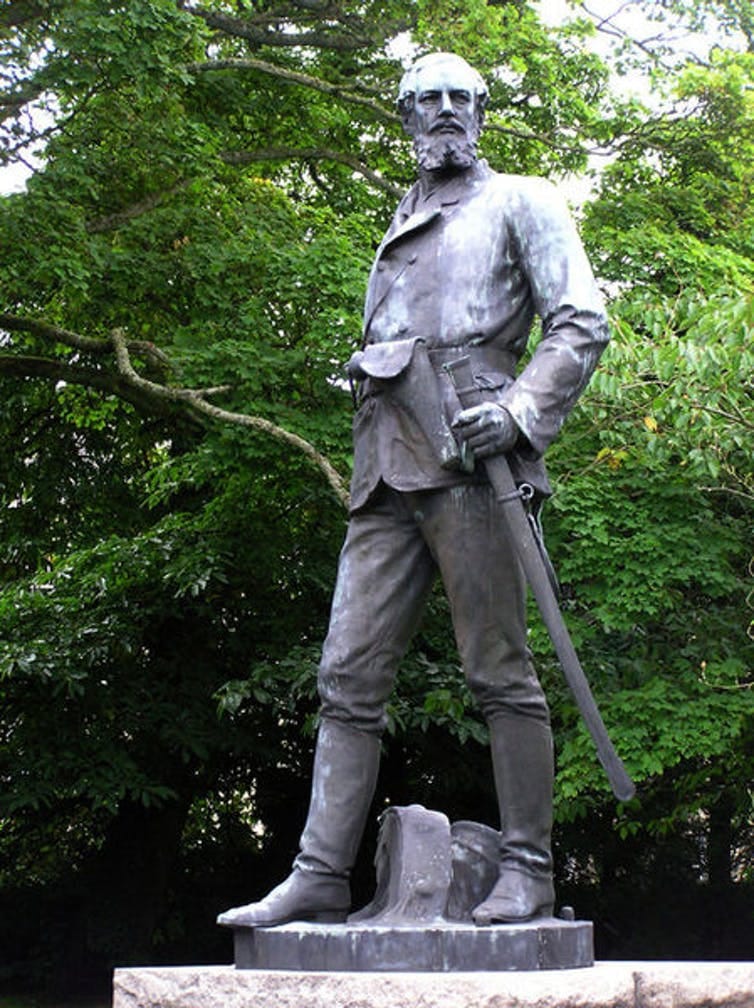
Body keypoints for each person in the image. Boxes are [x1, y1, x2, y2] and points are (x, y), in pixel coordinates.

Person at [218, 51, 609, 929]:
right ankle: (320, 873)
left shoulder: (522, 200)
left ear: (481, 111)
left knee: (499, 670)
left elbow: (582, 321)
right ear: (404, 118)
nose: (444, 112)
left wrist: (518, 410)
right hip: (384, 460)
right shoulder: (403, 216)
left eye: (459, 98)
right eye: (427, 100)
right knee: (345, 677)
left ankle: (529, 870)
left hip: (476, 455)